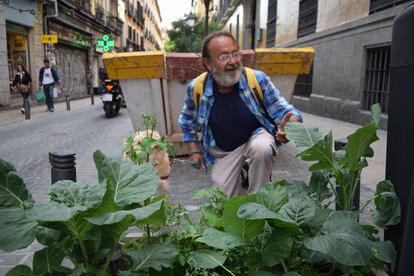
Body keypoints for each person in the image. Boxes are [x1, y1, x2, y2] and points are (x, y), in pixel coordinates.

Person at [178, 31, 303, 197]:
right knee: (224, 201)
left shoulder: (257, 79)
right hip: (223, 151)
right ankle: (243, 177)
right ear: (208, 64)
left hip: (255, 138)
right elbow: (186, 121)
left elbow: (285, 111)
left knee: (262, 148)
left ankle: (259, 204)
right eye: (223, 57)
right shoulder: (197, 87)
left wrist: (291, 123)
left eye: (235, 54)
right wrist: (194, 151)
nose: (233, 62)